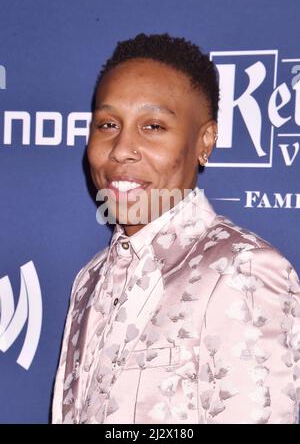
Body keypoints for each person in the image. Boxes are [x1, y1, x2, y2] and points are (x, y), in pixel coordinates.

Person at [51, 33, 300, 424]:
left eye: (152, 126)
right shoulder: (90, 279)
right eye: (108, 124)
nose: (120, 148)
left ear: (204, 141)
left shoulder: (243, 270)